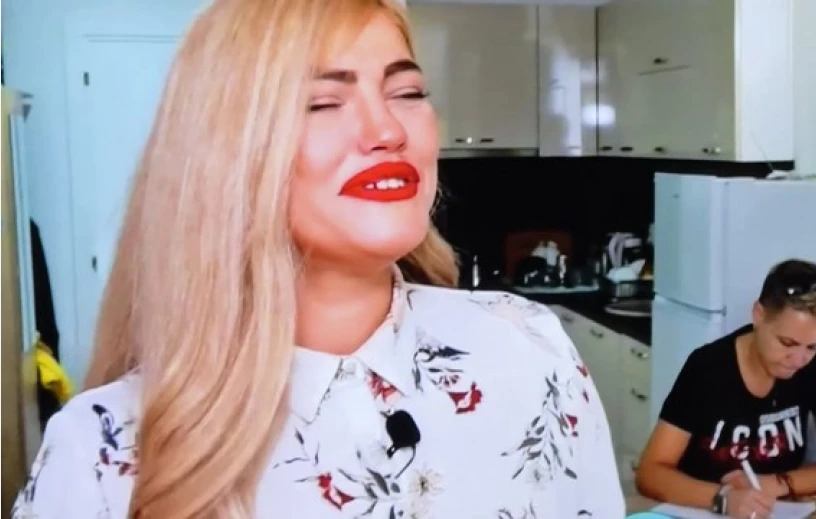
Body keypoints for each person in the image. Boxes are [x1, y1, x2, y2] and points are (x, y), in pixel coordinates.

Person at [11, 0, 624, 517]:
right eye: (323, 103)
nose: (387, 129)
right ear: (228, 150)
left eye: (407, 92)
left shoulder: (530, 346)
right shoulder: (101, 454)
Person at [635, 259, 816, 519]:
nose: (799, 359)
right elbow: (651, 473)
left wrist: (776, 483)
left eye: (811, 346)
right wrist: (722, 498)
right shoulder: (708, 368)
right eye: (787, 343)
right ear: (758, 315)